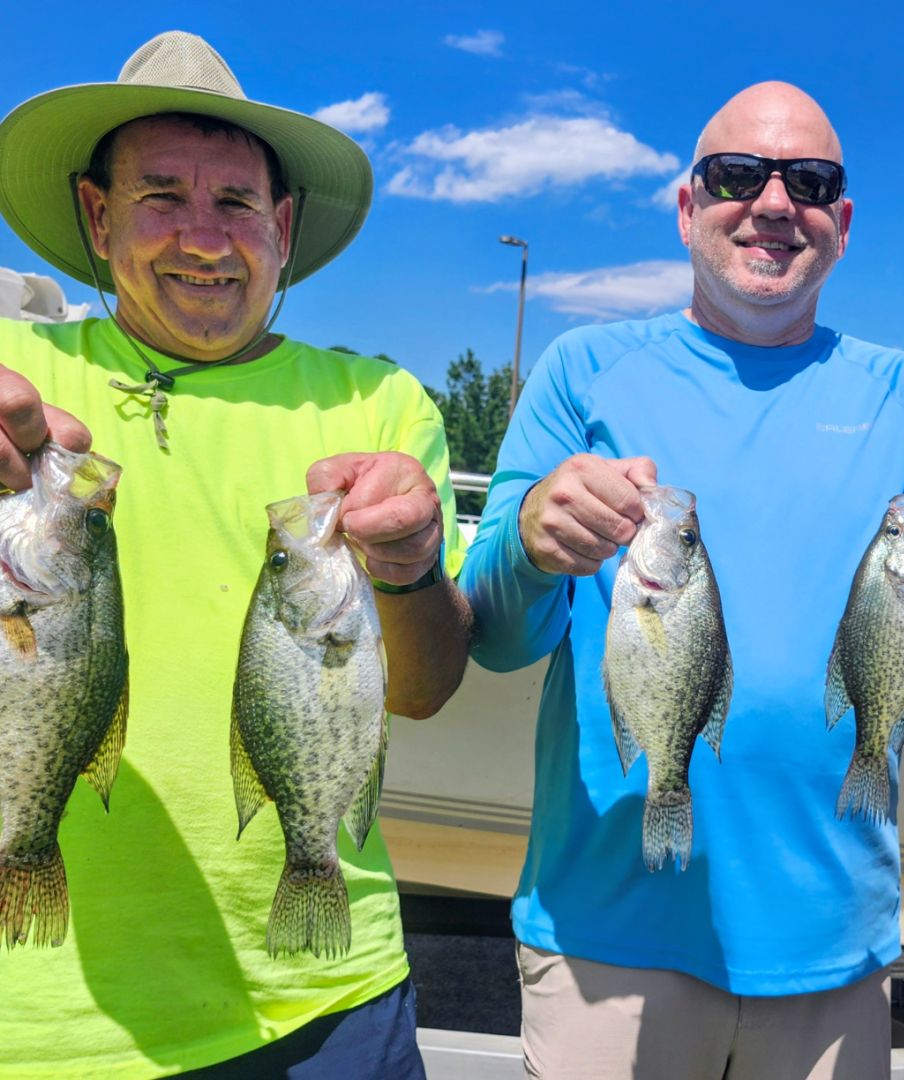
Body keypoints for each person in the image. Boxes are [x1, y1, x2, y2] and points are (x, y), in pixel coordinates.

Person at [464, 81, 904, 1079]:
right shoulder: (584, 368)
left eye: (812, 182)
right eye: (739, 175)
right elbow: (497, 633)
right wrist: (530, 538)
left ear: (844, 224)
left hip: (834, 943)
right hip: (609, 939)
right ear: (689, 204)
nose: (776, 203)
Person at [0, 31, 471, 1078]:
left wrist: (408, 569)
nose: (204, 239)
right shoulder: (14, 367)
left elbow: (427, 688)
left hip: (325, 1001)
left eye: (238, 205)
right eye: (161, 195)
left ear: (285, 226)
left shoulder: (378, 403)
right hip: (39, 1025)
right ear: (96, 215)